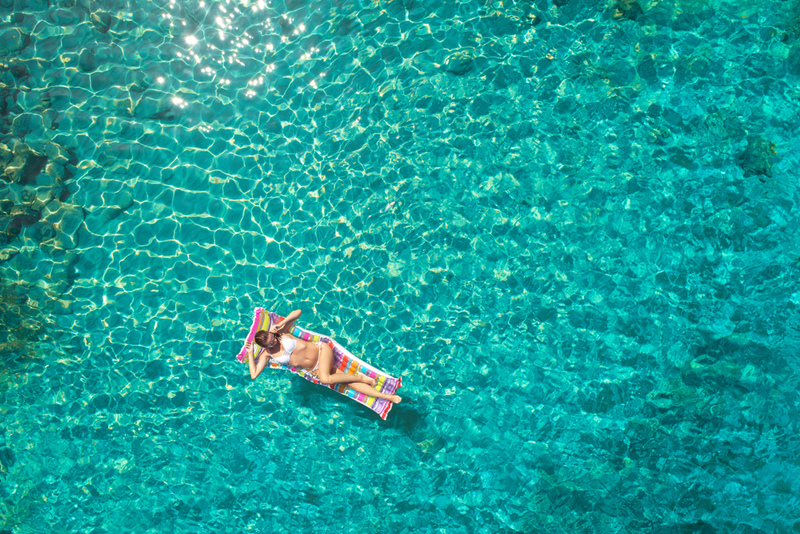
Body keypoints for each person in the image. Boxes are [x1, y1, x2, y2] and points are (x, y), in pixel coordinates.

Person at [244, 309, 402, 404]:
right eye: (270, 344)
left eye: (273, 339)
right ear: (264, 347)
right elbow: (254, 374)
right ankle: (387, 397)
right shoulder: (266, 355)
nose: (274, 343)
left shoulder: (280, 332)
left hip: (322, 351)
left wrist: (283, 322)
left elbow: (298, 312)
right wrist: (251, 354)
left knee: (325, 379)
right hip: (316, 369)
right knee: (350, 384)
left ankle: (361, 377)